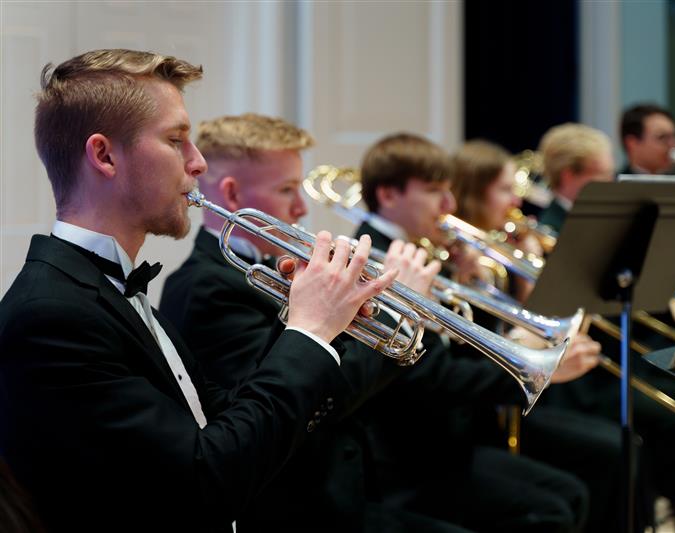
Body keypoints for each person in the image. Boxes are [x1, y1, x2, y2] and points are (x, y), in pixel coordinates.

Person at [0, 49, 397, 533]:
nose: (198, 164)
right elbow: (205, 481)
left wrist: (307, 318)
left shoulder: (108, 288)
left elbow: (227, 418)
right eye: (176, 140)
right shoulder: (51, 314)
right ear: (104, 155)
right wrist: (309, 333)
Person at [160, 113, 464, 533]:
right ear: (231, 194)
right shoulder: (205, 288)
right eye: (286, 190)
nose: (302, 208)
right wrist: (396, 313)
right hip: (294, 508)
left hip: (344, 486)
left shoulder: (271, 267)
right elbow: (316, 402)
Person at [356, 132, 593, 533]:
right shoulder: (372, 259)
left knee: (570, 493)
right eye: (434, 191)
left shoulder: (422, 251)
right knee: (552, 507)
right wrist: (535, 365)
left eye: (449, 191)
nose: (449, 206)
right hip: (407, 457)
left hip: (447, 437)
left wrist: (467, 283)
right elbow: (426, 377)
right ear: (389, 195)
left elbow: (452, 351)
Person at [535, 123, 675, 533]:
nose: (611, 184)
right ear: (569, 176)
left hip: (616, 350)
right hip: (586, 373)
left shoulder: (600, 220)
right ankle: (656, 499)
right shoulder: (547, 226)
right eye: (601, 176)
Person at [451, 139, 638, 532]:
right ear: (473, 192)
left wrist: (524, 272)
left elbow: (537, 317)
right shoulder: (457, 255)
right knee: (607, 451)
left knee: (620, 443)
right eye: (504, 189)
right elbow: (495, 342)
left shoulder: (497, 246)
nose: (515, 202)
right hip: (492, 406)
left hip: (516, 394)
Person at [619, 103, 675, 175]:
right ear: (632, 143)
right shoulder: (612, 184)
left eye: (674, 136)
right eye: (662, 137)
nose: (673, 144)